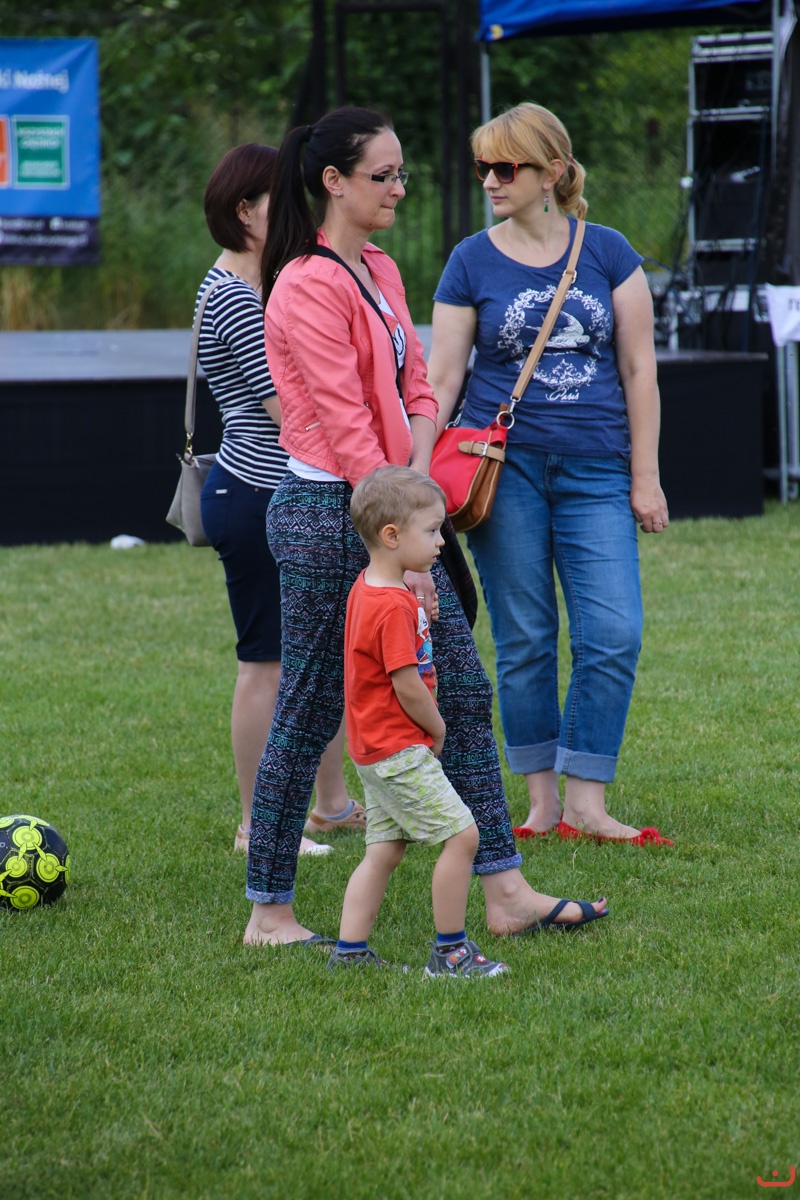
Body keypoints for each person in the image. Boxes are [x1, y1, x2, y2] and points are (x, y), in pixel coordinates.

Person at [242, 105, 607, 946]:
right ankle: (269, 910)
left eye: (402, 173)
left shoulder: (378, 267)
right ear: (333, 182)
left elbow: (417, 390)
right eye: (384, 175)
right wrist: (405, 530)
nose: (400, 188)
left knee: (465, 694)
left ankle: (505, 893)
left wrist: (415, 496)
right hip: (331, 516)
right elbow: (344, 427)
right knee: (309, 709)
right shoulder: (305, 282)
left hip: (391, 512)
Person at [427, 103, 673, 847]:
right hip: (503, 471)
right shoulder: (470, 259)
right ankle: (541, 804)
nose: (490, 181)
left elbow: (639, 369)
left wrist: (645, 476)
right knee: (527, 635)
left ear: (553, 173)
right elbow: (442, 379)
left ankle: (587, 803)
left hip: (597, 466)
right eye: (483, 167)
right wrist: (413, 475)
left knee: (614, 631)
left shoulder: (609, 252)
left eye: (507, 167)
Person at [197, 142, 366, 859]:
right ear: (245, 212)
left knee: (311, 660)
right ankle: (255, 825)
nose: (300, 213)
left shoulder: (257, 283)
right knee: (266, 664)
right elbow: (289, 408)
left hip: (272, 491)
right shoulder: (238, 297)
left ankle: (330, 806)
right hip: (258, 493)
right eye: (282, 201)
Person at [330, 466, 524, 975]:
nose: (441, 542)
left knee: (384, 850)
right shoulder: (392, 605)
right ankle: (451, 953)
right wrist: (437, 729)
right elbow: (407, 684)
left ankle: (349, 953)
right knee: (463, 837)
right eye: (433, 531)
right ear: (392, 536)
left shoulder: (367, 588)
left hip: (373, 750)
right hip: (399, 749)